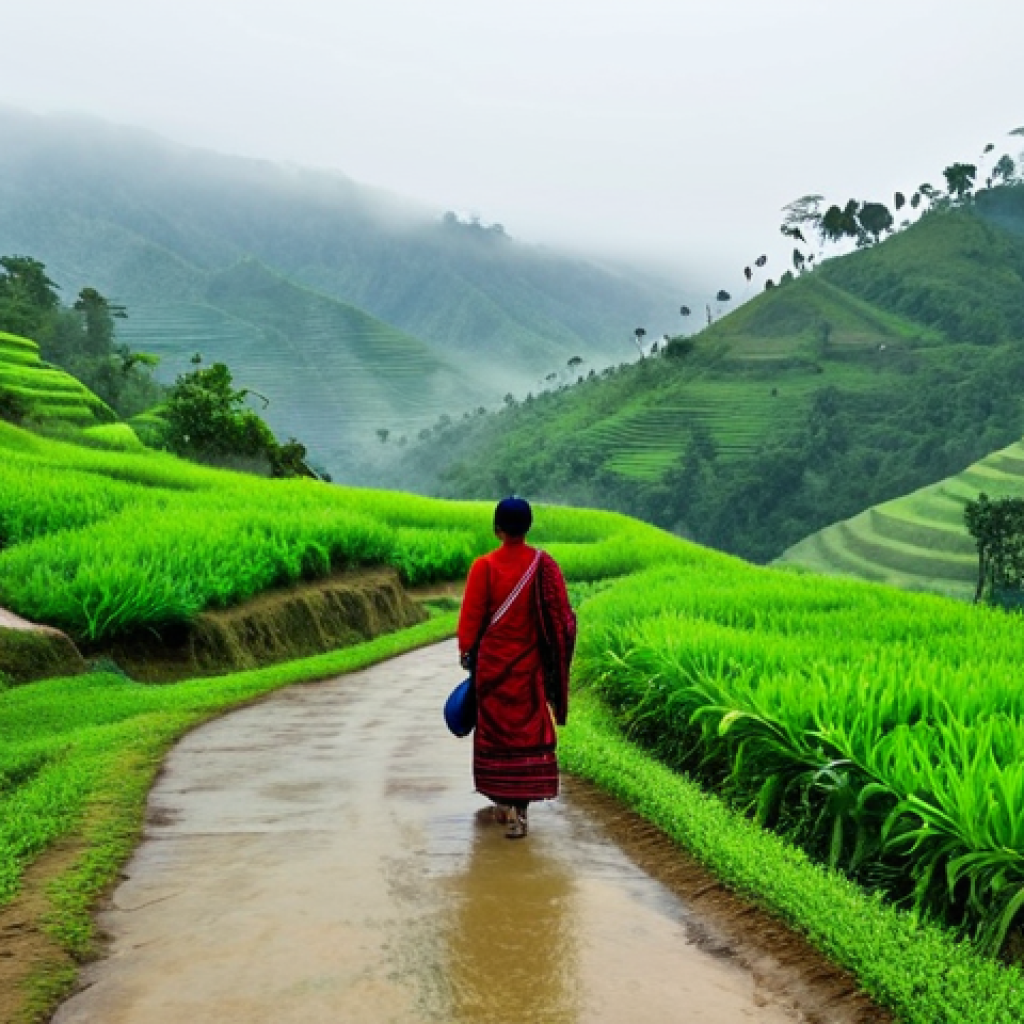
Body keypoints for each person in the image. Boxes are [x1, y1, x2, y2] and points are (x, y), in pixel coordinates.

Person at [457, 496, 577, 839]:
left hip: (493, 669)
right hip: (528, 670)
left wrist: (467, 652)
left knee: (495, 735)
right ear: (528, 527)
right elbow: (563, 621)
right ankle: (521, 811)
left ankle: (504, 804)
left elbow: (470, 620)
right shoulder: (543, 565)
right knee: (527, 733)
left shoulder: (485, 567)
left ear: (497, 529)